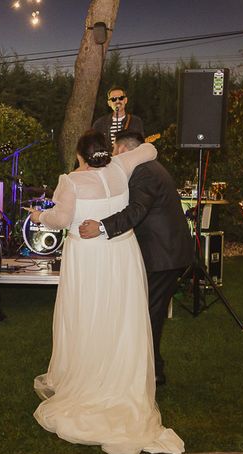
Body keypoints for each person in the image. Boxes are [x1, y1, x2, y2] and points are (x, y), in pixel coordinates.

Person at [29, 130, 184, 454]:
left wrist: (38, 216)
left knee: (88, 315)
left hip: (89, 257)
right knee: (119, 315)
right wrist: (120, 157)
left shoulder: (70, 181)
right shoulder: (121, 167)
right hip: (122, 255)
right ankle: (118, 377)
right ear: (105, 153)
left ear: (79, 155)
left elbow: (60, 219)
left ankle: (89, 378)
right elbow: (151, 149)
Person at [79, 131, 194, 386]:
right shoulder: (149, 167)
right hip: (167, 251)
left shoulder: (144, 172)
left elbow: (137, 210)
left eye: (114, 150)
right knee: (150, 312)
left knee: (148, 314)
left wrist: (101, 226)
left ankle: (150, 373)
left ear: (122, 149)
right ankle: (152, 369)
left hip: (162, 254)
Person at [92, 86, 144, 153]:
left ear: (125, 100)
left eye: (121, 98)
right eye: (113, 99)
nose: (117, 101)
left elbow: (140, 144)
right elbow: (94, 146)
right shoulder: (99, 124)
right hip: (107, 162)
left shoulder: (135, 121)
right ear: (109, 103)